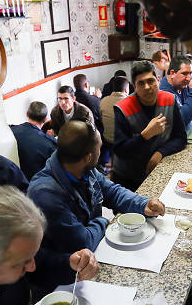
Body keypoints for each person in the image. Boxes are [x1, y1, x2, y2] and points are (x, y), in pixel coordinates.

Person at [28, 120, 165, 289]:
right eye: (99, 148)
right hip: (61, 281)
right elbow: (82, 241)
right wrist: (104, 222)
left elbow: (111, 191)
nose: (101, 151)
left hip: (89, 260)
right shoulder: (46, 194)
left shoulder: (80, 167)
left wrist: (142, 204)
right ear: (88, 157)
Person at [112, 60, 187, 191]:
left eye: (150, 81)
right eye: (141, 83)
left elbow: (180, 138)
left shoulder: (170, 99)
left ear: (158, 80)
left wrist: (160, 153)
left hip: (158, 171)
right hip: (128, 178)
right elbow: (120, 151)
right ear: (134, 87)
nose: (147, 87)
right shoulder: (123, 108)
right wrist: (145, 135)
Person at [10, 101, 58, 180]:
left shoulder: (11, 131)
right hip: (39, 183)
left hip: (17, 180)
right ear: (45, 119)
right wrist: (47, 138)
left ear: (27, 114)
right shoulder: (49, 143)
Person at [159, 54, 192, 132]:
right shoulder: (164, 92)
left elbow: (188, 105)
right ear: (172, 73)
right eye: (184, 74)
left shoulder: (181, 84)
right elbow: (181, 120)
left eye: (190, 73)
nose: (189, 78)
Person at [99, 75, 130, 161]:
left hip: (107, 139)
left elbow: (101, 120)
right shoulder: (130, 102)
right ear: (127, 89)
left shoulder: (103, 101)